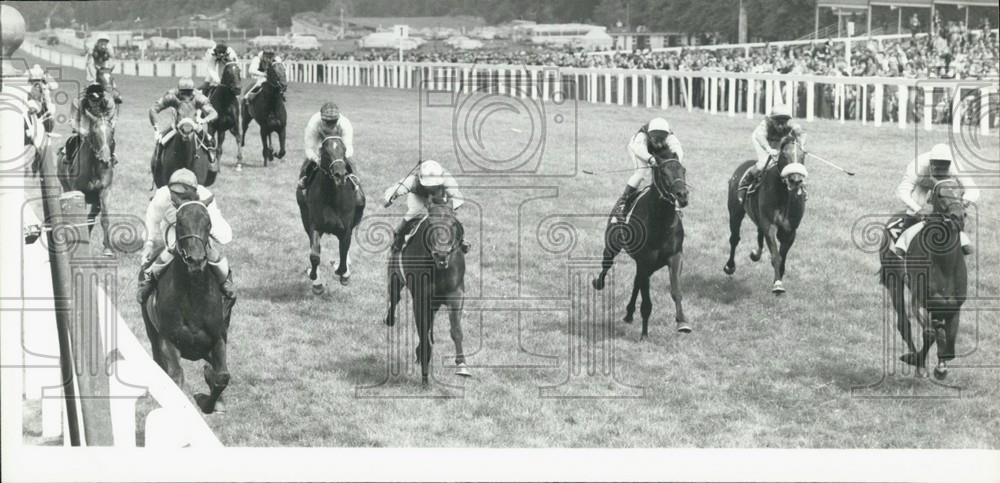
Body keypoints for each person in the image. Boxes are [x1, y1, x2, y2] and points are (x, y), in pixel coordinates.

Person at [137, 168, 235, 305]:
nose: (179, 199)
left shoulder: (205, 195)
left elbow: (221, 229)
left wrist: (208, 232)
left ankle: (225, 280)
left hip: (197, 228)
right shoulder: (162, 196)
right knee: (172, 248)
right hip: (173, 227)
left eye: (185, 195)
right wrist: (148, 244)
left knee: (209, 250)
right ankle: (149, 280)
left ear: (195, 192)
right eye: (176, 194)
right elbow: (152, 220)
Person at [892, 143, 979, 256]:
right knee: (916, 204)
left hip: (944, 185)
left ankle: (960, 238)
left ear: (950, 164)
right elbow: (902, 191)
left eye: (945, 168)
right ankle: (903, 243)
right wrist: (918, 210)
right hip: (922, 185)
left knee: (953, 210)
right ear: (931, 164)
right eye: (938, 168)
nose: (941, 171)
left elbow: (973, 189)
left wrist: (962, 202)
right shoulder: (917, 166)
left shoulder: (955, 165)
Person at [382, 159, 469, 253]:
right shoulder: (412, 180)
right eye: (428, 185)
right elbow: (396, 189)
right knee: (412, 215)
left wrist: (447, 209)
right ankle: (398, 237)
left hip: (439, 199)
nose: (431, 187)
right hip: (418, 198)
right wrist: (389, 198)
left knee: (448, 219)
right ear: (420, 178)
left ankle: (460, 241)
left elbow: (458, 198)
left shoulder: (447, 180)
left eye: (434, 185)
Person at [610, 117, 684, 221]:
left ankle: (675, 206)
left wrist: (673, 165)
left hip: (653, 153)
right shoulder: (641, 137)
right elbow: (639, 150)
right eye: (656, 139)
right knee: (640, 174)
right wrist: (650, 159)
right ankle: (623, 204)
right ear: (649, 135)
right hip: (638, 150)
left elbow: (678, 152)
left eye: (662, 139)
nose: (658, 143)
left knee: (670, 175)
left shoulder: (671, 137)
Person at [298, 102, 363, 203]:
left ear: (338, 119)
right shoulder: (314, 124)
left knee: (350, 162)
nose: (331, 125)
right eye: (327, 122)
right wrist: (317, 159)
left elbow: (348, 147)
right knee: (308, 163)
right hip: (320, 143)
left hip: (339, 146)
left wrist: (340, 159)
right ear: (322, 119)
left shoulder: (345, 124)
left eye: (333, 122)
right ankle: (305, 182)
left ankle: (356, 185)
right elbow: (309, 148)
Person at [738, 104, 804, 203]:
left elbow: (800, 134)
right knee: (764, 163)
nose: (781, 126)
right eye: (778, 122)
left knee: (788, 162)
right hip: (762, 140)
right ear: (772, 120)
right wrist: (768, 149)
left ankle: (801, 186)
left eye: (784, 122)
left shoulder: (792, 125)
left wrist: (801, 146)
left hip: (778, 141)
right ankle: (745, 183)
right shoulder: (765, 124)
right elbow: (760, 137)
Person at [148, 77, 218, 167]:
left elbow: (214, 113)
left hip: (194, 125)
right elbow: (153, 110)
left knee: (210, 140)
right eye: (183, 93)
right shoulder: (171, 95)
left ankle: (211, 162)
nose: (186, 96)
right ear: (178, 91)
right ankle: (157, 163)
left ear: (193, 91)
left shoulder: (199, 97)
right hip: (176, 126)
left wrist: (204, 120)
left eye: (189, 93)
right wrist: (156, 130)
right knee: (160, 141)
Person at [63, 83, 117, 167]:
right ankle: (68, 157)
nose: (96, 104)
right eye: (93, 101)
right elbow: (73, 121)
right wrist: (82, 131)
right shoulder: (78, 101)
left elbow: (112, 118)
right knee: (76, 139)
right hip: (84, 118)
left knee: (106, 137)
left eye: (98, 101)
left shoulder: (108, 100)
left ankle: (111, 156)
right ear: (87, 98)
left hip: (102, 118)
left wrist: (109, 127)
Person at [85, 34, 122, 104]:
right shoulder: (92, 47)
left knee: (107, 76)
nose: (103, 46)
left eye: (105, 44)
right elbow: (89, 63)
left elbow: (113, 61)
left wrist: (109, 70)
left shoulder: (109, 48)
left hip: (103, 62)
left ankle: (116, 95)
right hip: (92, 62)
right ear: (97, 43)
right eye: (101, 43)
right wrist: (94, 77)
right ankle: (91, 92)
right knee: (93, 78)